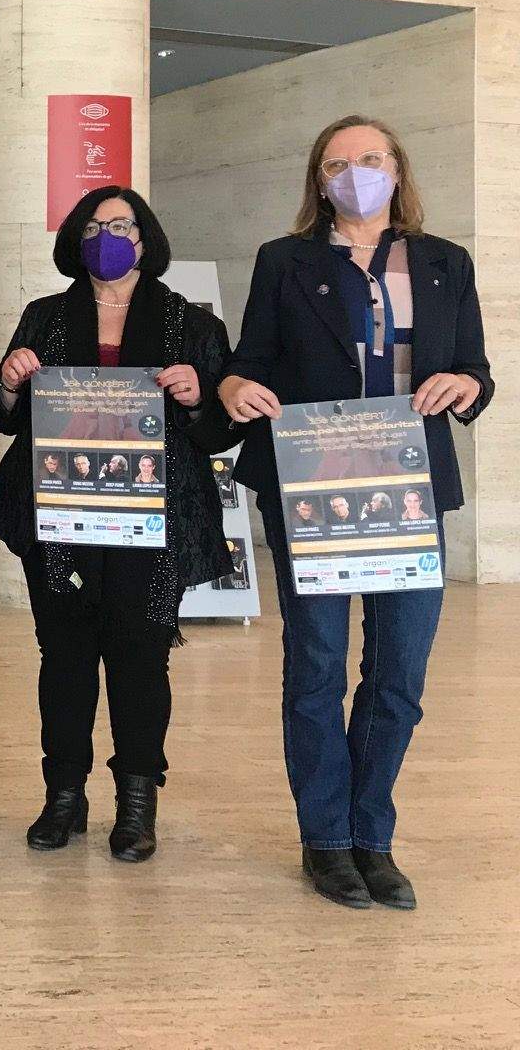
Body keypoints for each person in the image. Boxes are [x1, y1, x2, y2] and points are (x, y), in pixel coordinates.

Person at [219, 114, 491, 912]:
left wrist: (467, 386)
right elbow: (250, 360)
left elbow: (472, 364)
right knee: (316, 668)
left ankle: (374, 834)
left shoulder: (445, 262)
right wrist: (236, 388)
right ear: (318, 180)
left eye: (370, 159)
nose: (355, 173)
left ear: (398, 168)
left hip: (408, 487)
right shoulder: (286, 261)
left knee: (400, 672)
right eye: (337, 163)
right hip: (314, 488)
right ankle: (327, 841)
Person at [0, 185, 236, 864]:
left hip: (153, 520)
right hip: (60, 516)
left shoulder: (194, 325)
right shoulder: (44, 316)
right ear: (75, 239)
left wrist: (197, 395)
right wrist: (9, 380)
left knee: (141, 655)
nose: (109, 236)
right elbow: (3, 414)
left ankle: (137, 802)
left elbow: (219, 433)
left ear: (145, 240)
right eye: (95, 226)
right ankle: (63, 794)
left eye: (121, 225)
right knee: (63, 656)